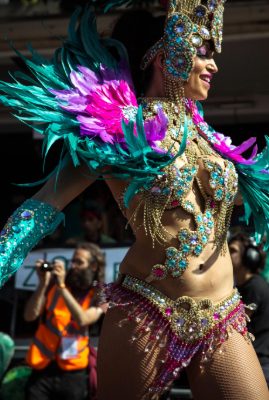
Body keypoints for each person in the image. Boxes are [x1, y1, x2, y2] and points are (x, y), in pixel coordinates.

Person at [1, 1, 269, 399]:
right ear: (166, 55)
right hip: (148, 311)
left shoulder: (210, 140)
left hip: (223, 313)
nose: (213, 66)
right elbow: (44, 205)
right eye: (204, 53)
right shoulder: (116, 133)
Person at [23, 242, 107, 400]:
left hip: (73, 373)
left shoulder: (100, 295)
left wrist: (61, 286)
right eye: (73, 261)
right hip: (43, 367)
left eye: (79, 262)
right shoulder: (55, 286)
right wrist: (43, 284)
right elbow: (29, 316)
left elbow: (83, 319)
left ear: (93, 267)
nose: (73, 265)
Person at [229, 231, 269, 387]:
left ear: (249, 256)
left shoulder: (254, 287)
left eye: (232, 250)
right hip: (250, 364)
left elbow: (234, 327)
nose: (226, 254)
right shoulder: (241, 287)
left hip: (258, 367)